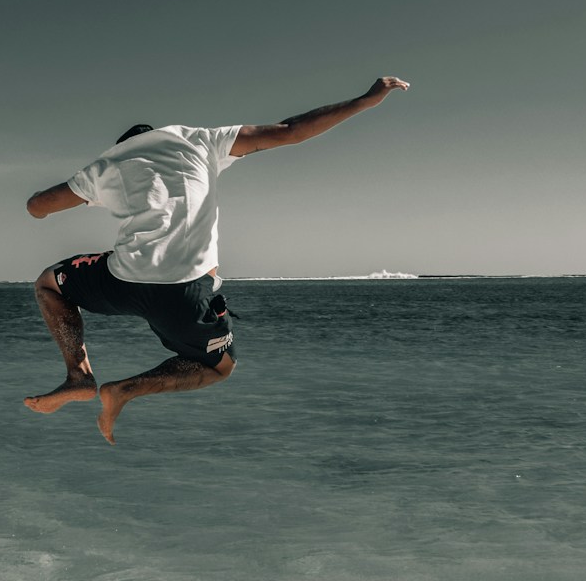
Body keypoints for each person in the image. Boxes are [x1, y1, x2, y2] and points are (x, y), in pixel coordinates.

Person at [23, 75, 412, 443]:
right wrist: (366, 100)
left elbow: (37, 207)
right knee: (218, 367)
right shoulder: (199, 141)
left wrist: (88, 190)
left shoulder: (105, 167)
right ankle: (125, 390)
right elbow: (291, 130)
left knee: (49, 283)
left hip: (124, 278)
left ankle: (78, 375)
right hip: (184, 290)